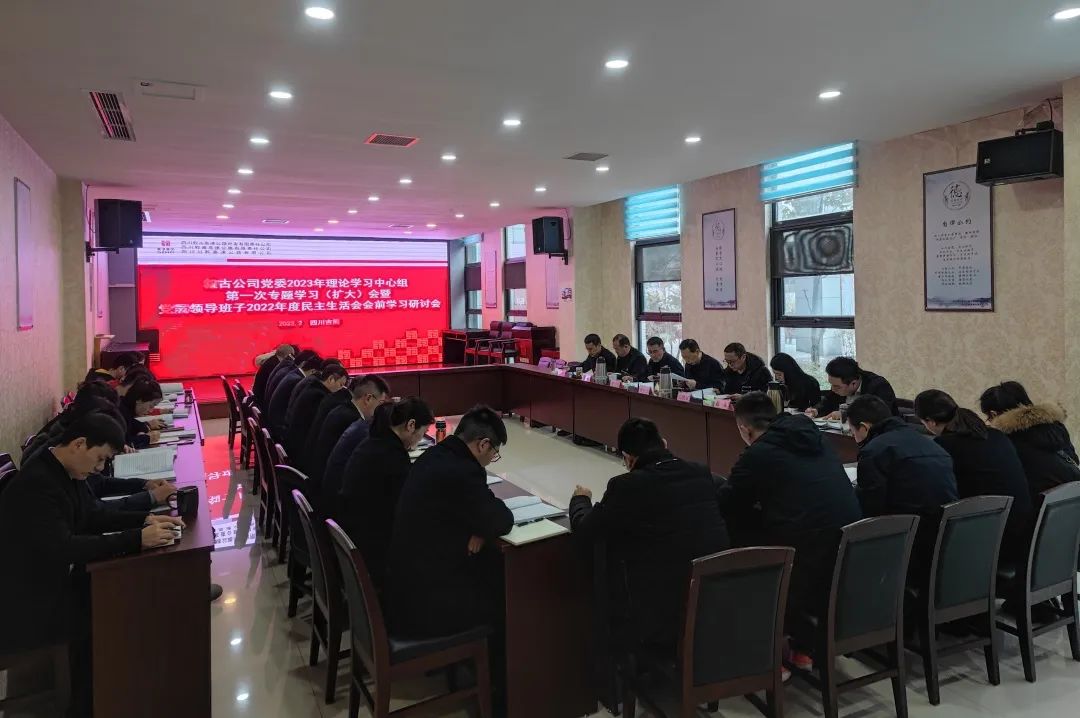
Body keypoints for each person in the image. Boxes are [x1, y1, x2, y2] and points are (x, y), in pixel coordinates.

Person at [0, 413, 184, 716]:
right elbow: (65, 549)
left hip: (45, 582)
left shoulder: (63, 470)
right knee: (111, 605)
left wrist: (144, 520)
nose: (100, 468)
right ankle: (92, 703)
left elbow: (92, 515)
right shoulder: (39, 484)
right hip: (26, 606)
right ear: (79, 444)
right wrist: (137, 538)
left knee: (122, 580)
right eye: (99, 459)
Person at [718, 392, 861, 666]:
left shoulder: (758, 453)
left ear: (744, 429)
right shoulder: (816, 437)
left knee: (736, 534)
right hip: (847, 543)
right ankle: (801, 646)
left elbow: (728, 503)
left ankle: (767, 646)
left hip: (805, 553)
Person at [568, 418, 729, 651]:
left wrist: (581, 500)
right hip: (714, 598)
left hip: (662, 615)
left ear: (628, 458)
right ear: (664, 443)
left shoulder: (626, 486)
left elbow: (586, 531)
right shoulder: (701, 473)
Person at [388, 405, 514, 638]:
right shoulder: (463, 471)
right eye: (494, 453)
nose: (491, 459)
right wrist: (483, 525)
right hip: (424, 606)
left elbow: (476, 512)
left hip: (404, 585)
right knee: (505, 597)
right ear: (483, 444)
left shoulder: (435, 454)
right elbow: (502, 518)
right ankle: (493, 661)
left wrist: (480, 529)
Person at [915, 389, 1033, 559]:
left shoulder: (944, 446)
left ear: (930, 422)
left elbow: (939, 497)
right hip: (1021, 535)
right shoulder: (997, 436)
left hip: (989, 544)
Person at [339, 398, 435, 585]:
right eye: (423, 433)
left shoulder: (374, 442)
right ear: (411, 425)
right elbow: (408, 511)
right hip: (374, 553)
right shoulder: (391, 456)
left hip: (355, 538)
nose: (420, 439)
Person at [846, 395, 957, 518]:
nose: (854, 437)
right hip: (943, 524)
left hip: (904, 526)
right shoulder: (934, 446)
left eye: (853, 432)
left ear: (864, 428)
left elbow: (868, 507)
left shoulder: (874, 450)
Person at [980, 381, 1080, 501]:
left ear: (993, 414)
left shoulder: (1006, 441)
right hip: (1073, 499)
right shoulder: (1056, 426)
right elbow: (1074, 459)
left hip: (1040, 506)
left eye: (988, 417)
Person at [307, 375, 391, 497]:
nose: (382, 410)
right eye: (381, 403)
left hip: (322, 485)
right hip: (332, 495)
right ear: (368, 398)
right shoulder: (352, 421)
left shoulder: (343, 409)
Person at [282, 363, 348, 463]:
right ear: (331, 379)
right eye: (341, 385)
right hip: (298, 451)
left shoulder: (312, 387)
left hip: (293, 442)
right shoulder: (318, 396)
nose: (341, 389)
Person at [808, 357, 898, 419]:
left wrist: (846, 414)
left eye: (836, 386)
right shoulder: (840, 386)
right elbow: (828, 402)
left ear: (853, 383)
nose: (832, 389)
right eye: (831, 385)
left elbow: (879, 414)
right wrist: (816, 410)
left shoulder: (878, 386)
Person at [266, 350, 322, 439]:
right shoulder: (297, 380)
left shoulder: (292, 373)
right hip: (279, 428)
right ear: (313, 371)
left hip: (273, 420)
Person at [117, 378, 164, 448]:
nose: (151, 411)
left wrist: (146, 426)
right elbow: (124, 444)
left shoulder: (125, 407)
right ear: (139, 400)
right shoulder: (120, 412)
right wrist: (147, 438)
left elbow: (133, 425)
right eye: (151, 406)